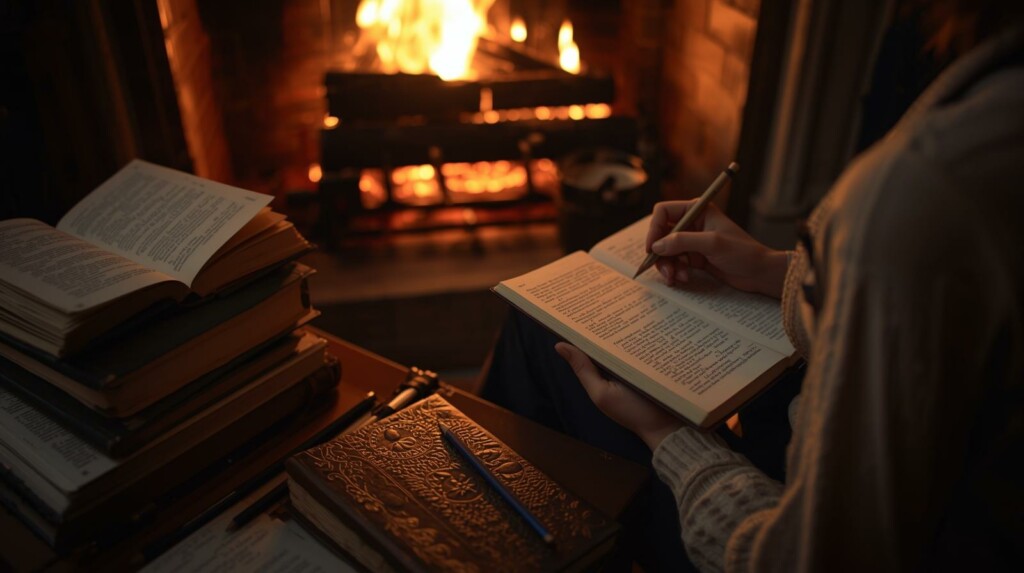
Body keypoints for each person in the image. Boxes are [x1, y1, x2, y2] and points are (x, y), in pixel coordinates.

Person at [481, 2, 1024, 570]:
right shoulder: (988, 137)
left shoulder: (924, 189)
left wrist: (666, 433)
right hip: (818, 449)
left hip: (764, 524)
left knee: (536, 328)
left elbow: (803, 558)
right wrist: (772, 269)